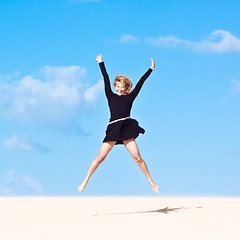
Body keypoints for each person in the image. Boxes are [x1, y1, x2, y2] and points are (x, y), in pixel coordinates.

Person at [78, 54, 159, 193]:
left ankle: (150, 180)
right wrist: (101, 62)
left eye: (122, 87)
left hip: (127, 128)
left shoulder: (130, 97)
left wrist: (151, 69)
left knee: (138, 158)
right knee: (100, 158)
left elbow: (140, 83)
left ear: (125, 87)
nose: (120, 89)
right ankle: (85, 181)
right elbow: (106, 78)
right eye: (118, 86)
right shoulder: (110, 95)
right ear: (115, 87)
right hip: (114, 129)